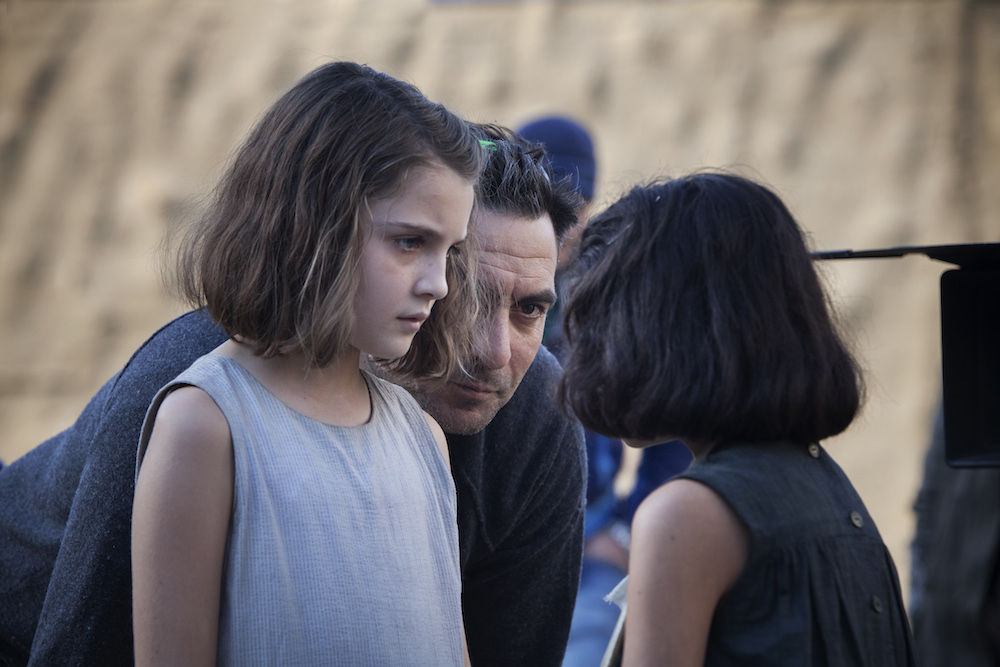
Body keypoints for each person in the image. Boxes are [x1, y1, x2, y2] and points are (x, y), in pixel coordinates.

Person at [0, 107, 586, 666]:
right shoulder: (200, 393)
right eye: (466, 294)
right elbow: (80, 646)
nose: (494, 352)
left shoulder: (534, 420)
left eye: (531, 309)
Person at [129, 61, 484, 665]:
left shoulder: (424, 439)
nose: (439, 284)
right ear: (314, 223)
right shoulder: (207, 426)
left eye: (450, 251)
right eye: (409, 242)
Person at [556, 172, 916, 666]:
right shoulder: (830, 491)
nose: (590, 351)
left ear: (676, 332)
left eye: (610, 320)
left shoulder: (686, 516)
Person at [519, 115, 691, 667]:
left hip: (589, 537)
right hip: (499, 540)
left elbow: (676, 416)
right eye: (544, 201)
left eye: (576, 203)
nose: (561, 221)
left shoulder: (610, 296)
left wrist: (626, 528)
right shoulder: (480, 280)